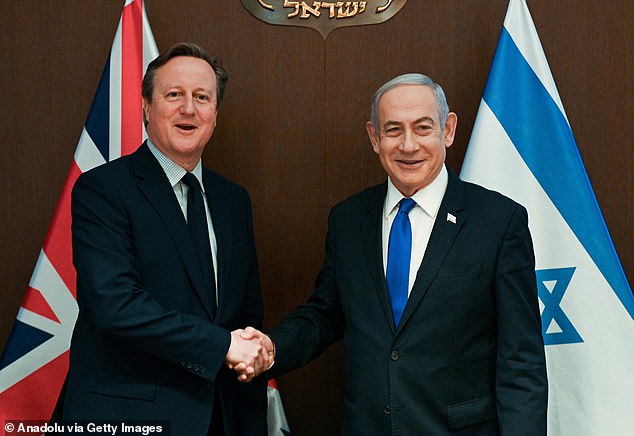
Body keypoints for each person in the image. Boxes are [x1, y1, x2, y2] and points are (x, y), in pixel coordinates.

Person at [241, 73, 548, 435]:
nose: (408, 145)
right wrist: (272, 347)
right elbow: (325, 315)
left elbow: (521, 362)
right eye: (392, 130)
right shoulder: (349, 219)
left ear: (447, 130)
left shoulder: (498, 222)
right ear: (374, 137)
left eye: (422, 128)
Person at [56, 42, 271, 435]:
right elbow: (115, 305)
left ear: (215, 114)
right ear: (145, 107)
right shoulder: (102, 190)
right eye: (174, 95)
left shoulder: (233, 200)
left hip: (223, 418)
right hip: (129, 418)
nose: (188, 108)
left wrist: (258, 349)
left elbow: (245, 311)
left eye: (202, 97)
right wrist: (222, 346)